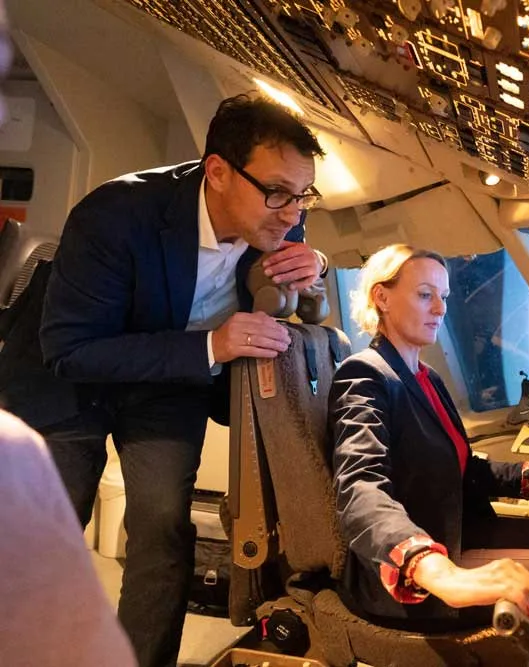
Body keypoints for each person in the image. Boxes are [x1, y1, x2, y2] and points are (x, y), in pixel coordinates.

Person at [2, 93, 326, 667]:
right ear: (219, 172)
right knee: (44, 532)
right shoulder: (117, 214)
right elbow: (71, 350)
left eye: (304, 195)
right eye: (278, 192)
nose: (293, 213)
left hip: (167, 381)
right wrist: (212, 345)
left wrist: (316, 270)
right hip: (69, 375)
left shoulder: (279, 224)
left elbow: (295, 282)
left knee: (163, 533)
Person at [330, 244, 529, 652]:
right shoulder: (364, 374)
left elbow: (462, 469)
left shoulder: (427, 378)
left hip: (458, 525)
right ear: (382, 297)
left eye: (443, 298)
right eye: (425, 294)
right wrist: (429, 566)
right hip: (420, 557)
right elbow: (360, 486)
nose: (441, 309)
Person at [0, 409, 138, 667]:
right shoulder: (12, 441)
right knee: (39, 553)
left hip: (158, 390)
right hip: (55, 390)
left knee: (162, 524)